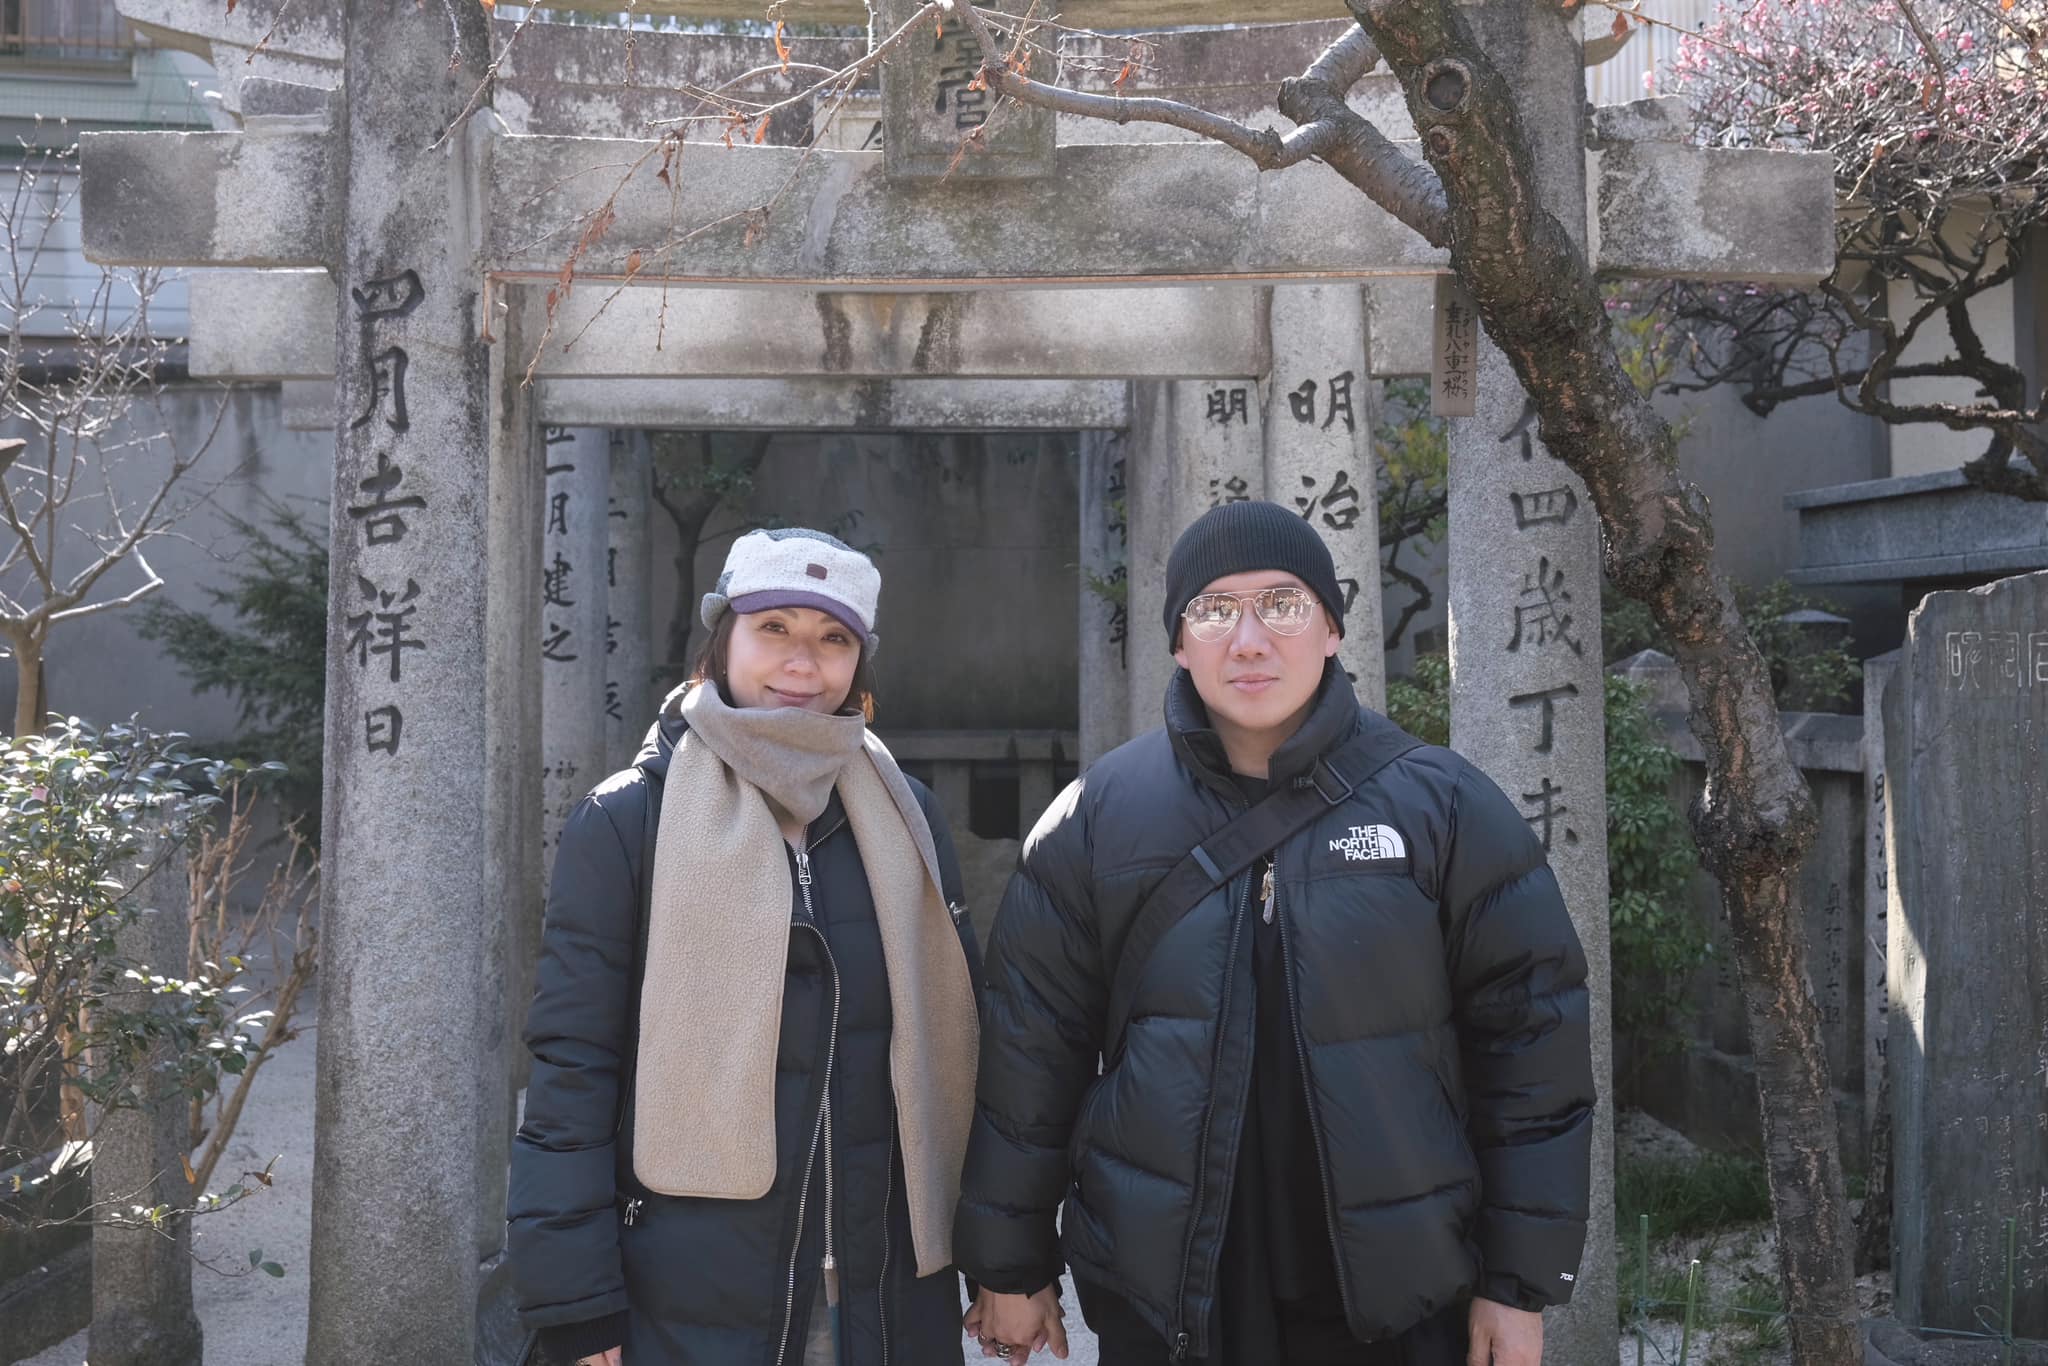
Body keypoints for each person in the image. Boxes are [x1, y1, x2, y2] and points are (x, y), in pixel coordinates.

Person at [955, 500, 1594, 1366]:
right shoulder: (1096, 818)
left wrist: (1517, 1283)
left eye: (1283, 604)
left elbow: (1532, 1049)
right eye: (1214, 610)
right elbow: (1030, 1052)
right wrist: (1010, 1264)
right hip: (1169, 1293)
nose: (1249, 641)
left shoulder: (1443, 806)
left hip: (1394, 1291)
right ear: (1179, 643)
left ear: (1331, 628)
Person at [508, 527, 983, 1366]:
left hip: (885, 1294)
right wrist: (575, 1301)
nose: (803, 662)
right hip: (685, 1296)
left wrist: (1005, 1264)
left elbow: (963, 1048)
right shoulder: (628, 819)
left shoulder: (905, 816)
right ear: (721, 638)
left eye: (834, 638)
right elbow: (573, 1066)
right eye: (774, 628)